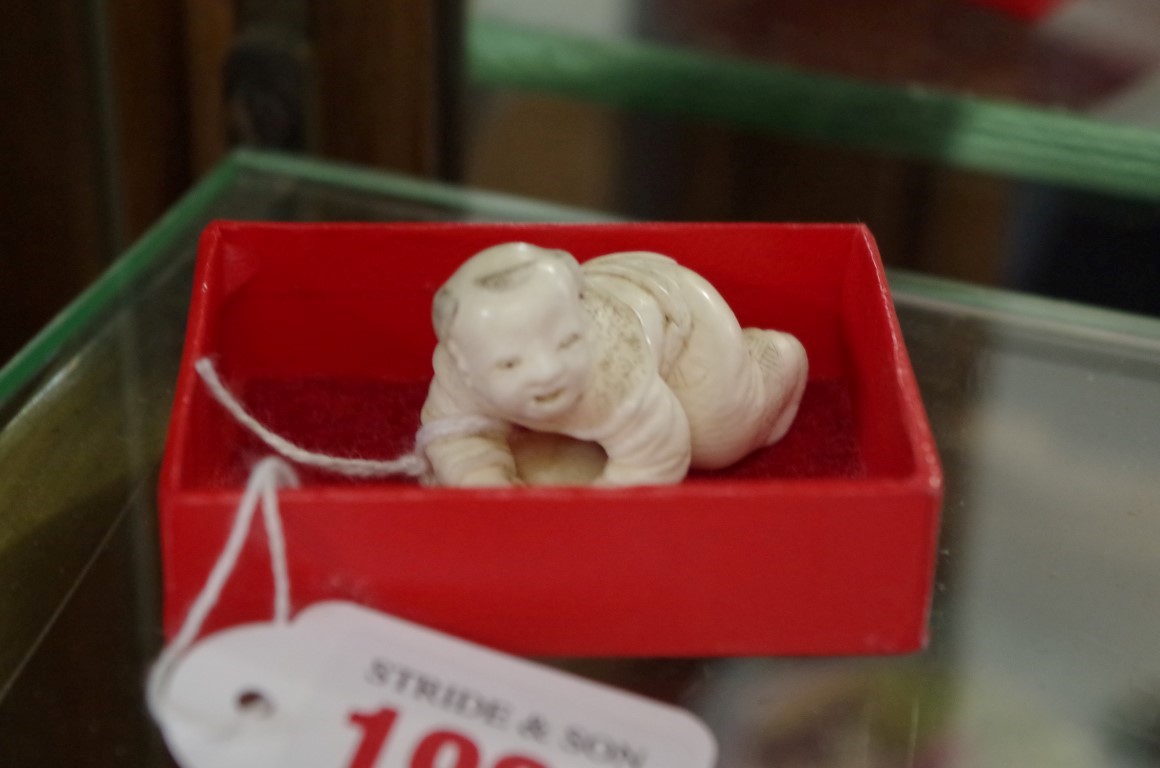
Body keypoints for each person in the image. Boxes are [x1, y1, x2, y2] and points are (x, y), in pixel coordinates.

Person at [421, 242, 807, 487]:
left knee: (719, 440)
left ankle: (773, 357)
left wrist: (590, 517)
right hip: (597, 285)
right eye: (508, 364)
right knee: (544, 442)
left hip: (683, 321)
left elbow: (656, 456)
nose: (547, 371)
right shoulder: (458, 374)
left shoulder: (614, 368)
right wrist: (485, 483)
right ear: (462, 362)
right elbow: (452, 436)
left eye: (568, 342)